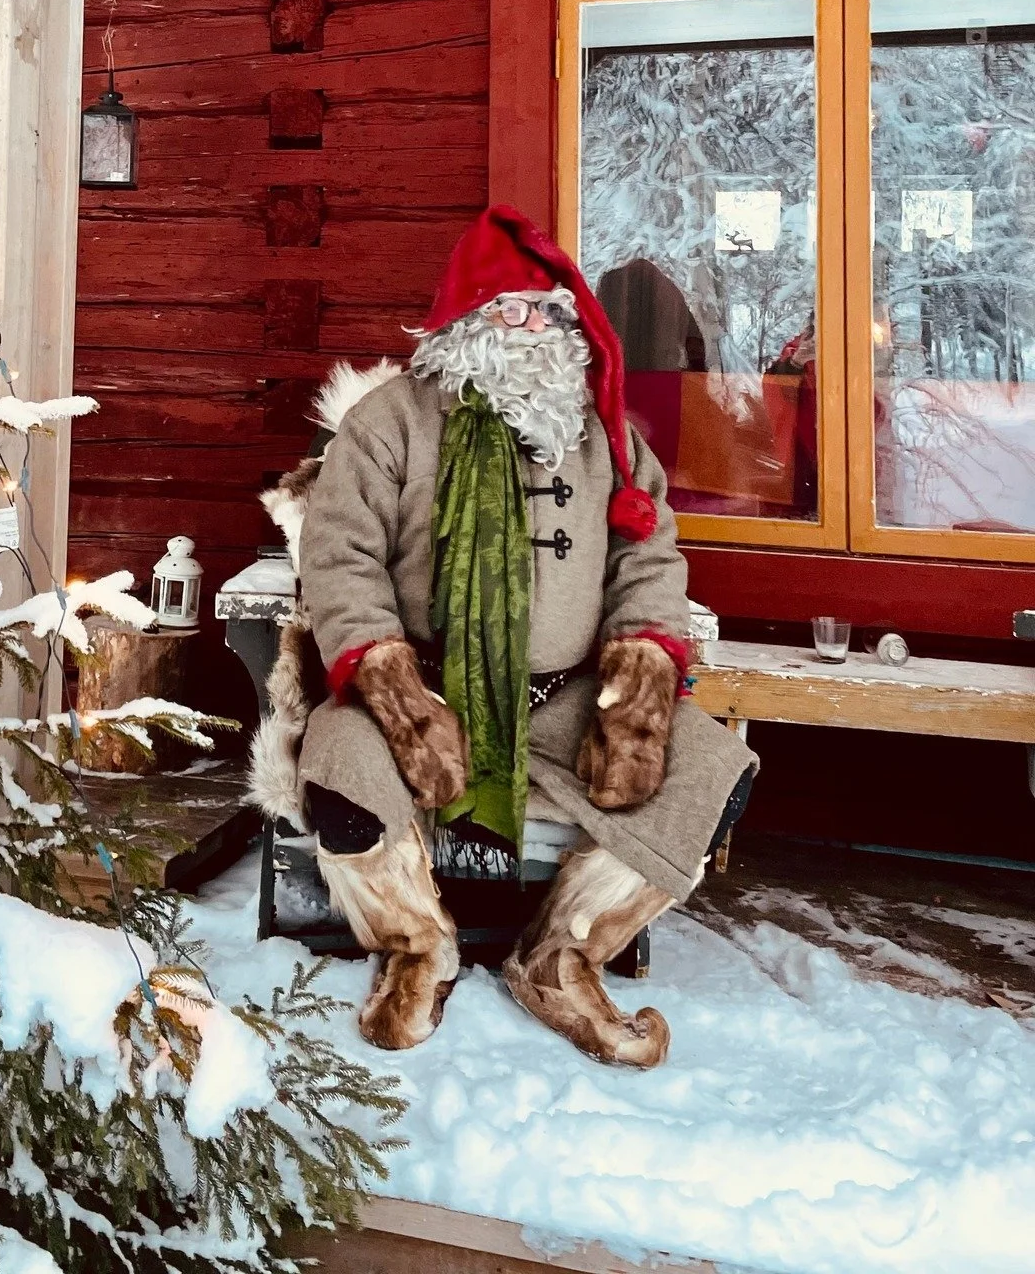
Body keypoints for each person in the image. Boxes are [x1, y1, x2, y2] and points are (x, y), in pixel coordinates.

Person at [277, 206, 756, 1067]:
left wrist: (639, 689)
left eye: (547, 311)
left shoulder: (604, 436)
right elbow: (340, 559)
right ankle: (418, 948)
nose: (531, 327)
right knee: (342, 770)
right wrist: (397, 696)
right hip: (428, 693)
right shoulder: (390, 422)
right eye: (509, 309)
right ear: (464, 321)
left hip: (563, 702)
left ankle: (562, 955)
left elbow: (648, 560)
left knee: (712, 774)